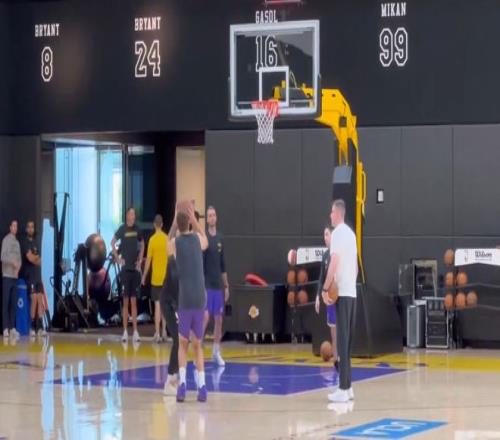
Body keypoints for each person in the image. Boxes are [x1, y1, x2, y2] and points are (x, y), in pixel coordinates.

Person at [170, 206, 208, 403]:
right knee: (198, 345)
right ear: (191, 223)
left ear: (178, 225)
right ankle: (202, 386)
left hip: (185, 299)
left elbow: (168, 242)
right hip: (199, 298)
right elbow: (206, 240)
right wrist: (195, 220)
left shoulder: (175, 243)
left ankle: (183, 384)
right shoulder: (197, 240)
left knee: (182, 344)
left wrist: (173, 222)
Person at [322, 200, 357, 403]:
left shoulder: (337, 234)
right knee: (347, 342)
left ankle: (343, 389)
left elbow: (334, 262)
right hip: (352, 292)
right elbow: (355, 266)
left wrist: (325, 288)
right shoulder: (351, 234)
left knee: (342, 342)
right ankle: (349, 386)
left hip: (342, 294)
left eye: (332, 212)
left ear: (338, 214)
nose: (330, 215)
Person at [111, 207, 145, 343]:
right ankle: (125, 332)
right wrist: (118, 259)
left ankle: (135, 332)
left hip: (134, 270)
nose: (133, 216)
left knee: (134, 302)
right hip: (125, 270)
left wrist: (140, 259)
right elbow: (112, 242)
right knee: (125, 302)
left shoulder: (137, 229)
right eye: (131, 214)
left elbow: (142, 244)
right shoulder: (122, 229)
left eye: (134, 214)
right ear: (127, 216)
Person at [203, 206, 229, 366]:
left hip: (218, 285)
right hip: (207, 285)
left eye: (214, 215)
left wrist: (226, 286)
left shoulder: (220, 238)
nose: (212, 217)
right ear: (207, 219)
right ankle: (198, 348)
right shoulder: (204, 238)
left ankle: (216, 351)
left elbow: (223, 264)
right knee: (205, 317)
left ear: (216, 217)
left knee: (219, 319)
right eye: (209, 215)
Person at [141, 214, 168, 343]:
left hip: (156, 279)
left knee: (157, 305)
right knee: (165, 306)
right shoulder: (167, 239)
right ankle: (164, 332)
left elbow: (148, 261)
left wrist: (144, 276)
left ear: (154, 225)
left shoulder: (152, 240)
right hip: (166, 279)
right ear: (162, 225)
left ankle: (157, 332)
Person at [315, 225, 338, 370]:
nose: (325, 237)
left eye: (327, 234)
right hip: (329, 298)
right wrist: (318, 296)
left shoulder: (338, 253)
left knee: (340, 331)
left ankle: (340, 357)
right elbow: (321, 279)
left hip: (340, 296)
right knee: (333, 331)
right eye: (324, 235)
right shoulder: (325, 256)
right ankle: (336, 360)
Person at [21, 220, 46, 338]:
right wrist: (34, 258)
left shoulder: (36, 243)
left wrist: (34, 258)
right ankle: (31, 327)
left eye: (32, 227)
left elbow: (39, 261)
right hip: (29, 276)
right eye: (29, 227)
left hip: (37, 276)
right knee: (34, 299)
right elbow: (30, 258)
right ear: (26, 229)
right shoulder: (25, 243)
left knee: (40, 298)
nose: (31, 229)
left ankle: (40, 327)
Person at [161, 251, 179, 395]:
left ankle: (175, 376)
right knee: (177, 340)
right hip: (169, 304)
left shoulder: (183, 263)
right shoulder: (172, 264)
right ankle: (169, 378)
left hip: (175, 304)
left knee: (181, 341)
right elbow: (174, 290)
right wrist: (178, 310)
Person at [1, 220, 21, 339]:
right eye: (13, 226)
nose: (15, 228)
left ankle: (12, 327)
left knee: (14, 303)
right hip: (7, 276)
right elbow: (2, 257)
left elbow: (19, 259)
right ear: (10, 227)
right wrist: (11, 262)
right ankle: (5, 328)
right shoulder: (6, 240)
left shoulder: (17, 243)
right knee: (6, 302)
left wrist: (18, 268)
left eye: (16, 226)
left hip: (15, 277)